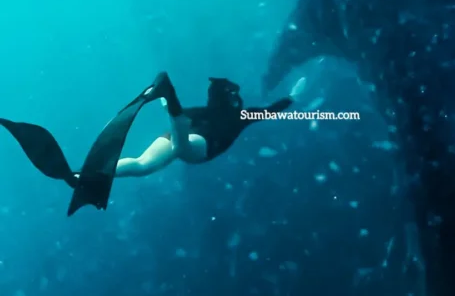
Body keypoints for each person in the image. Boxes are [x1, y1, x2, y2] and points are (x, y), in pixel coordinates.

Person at [0, 72, 292, 217]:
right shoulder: (241, 115)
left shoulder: (205, 110)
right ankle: (168, 97)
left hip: (182, 134)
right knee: (182, 147)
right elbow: (270, 111)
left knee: (143, 164)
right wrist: (294, 100)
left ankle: (80, 176)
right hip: (200, 146)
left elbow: (268, 110)